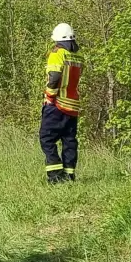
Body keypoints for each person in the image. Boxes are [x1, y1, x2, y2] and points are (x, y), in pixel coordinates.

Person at [40, 22, 84, 183]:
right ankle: (69, 175)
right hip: (73, 105)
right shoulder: (78, 56)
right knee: (69, 140)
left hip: (57, 104)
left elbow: (54, 76)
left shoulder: (58, 53)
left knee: (47, 138)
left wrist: (50, 96)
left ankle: (55, 176)